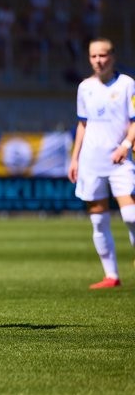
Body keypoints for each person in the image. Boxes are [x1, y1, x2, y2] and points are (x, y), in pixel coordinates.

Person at [68, 38, 135, 289]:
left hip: (120, 159)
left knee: (131, 215)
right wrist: (75, 158)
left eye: (103, 55)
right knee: (98, 219)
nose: (98, 60)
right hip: (91, 161)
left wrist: (126, 145)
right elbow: (83, 124)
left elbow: (134, 121)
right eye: (94, 56)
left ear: (113, 56)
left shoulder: (128, 84)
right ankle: (111, 276)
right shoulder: (85, 87)